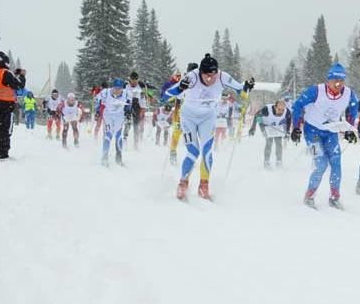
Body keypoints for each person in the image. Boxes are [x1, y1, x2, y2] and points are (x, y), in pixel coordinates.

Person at [161, 53, 253, 200]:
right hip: (189, 118)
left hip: (208, 118)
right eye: (207, 76)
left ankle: (204, 185)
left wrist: (247, 87)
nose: (211, 79)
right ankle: (183, 183)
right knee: (193, 151)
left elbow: (241, 90)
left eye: (213, 75)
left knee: (207, 151)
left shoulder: (222, 77)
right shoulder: (191, 77)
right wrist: (179, 89)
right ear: (200, 73)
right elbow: (165, 95)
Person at [290, 62, 358, 208]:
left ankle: (334, 197)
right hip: (312, 132)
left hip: (330, 132)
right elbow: (297, 105)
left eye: (341, 81)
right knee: (321, 164)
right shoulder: (316, 91)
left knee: (336, 164)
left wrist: (349, 130)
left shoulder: (348, 93)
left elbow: (353, 110)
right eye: (335, 81)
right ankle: (309, 195)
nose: (338, 84)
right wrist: (296, 127)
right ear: (328, 80)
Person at [249, 96, 292, 169]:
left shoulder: (287, 111)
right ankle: (266, 162)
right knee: (269, 142)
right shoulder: (267, 109)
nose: (281, 112)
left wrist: (287, 132)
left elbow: (288, 121)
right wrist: (253, 128)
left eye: (282, 110)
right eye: (279, 109)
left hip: (277, 126)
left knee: (278, 143)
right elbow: (257, 115)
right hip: (265, 125)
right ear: (275, 107)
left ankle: (279, 161)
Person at [98, 79, 132, 166]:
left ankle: (119, 158)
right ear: (112, 88)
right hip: (108, 115)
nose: (117, 91)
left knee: (118, 136)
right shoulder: (105, 92)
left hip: (119, 116)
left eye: (119, 89)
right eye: (115, 88)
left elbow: (129, 104)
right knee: (108, 135)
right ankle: (104, 158)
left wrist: (128, 112)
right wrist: (98, 110)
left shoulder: (126, 93)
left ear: (122, 89)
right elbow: (98, 100)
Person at [125, 72, 147, 149]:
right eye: (132, 79)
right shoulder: (126, 87)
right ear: (130, 79)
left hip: (137, 106)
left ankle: (136, 144)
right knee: (127, 124)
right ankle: (125, 141)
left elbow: (143, 101)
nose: (134, 81)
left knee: (136, 126)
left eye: (136, 79)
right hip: (127, 106)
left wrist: (142, 111)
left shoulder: (140, 88)